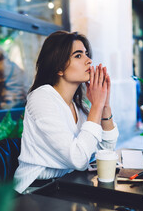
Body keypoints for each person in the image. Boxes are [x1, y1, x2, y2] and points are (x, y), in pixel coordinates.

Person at [14, 31, 119, 193]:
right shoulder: (42, 97)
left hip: (68, 184)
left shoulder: (78, 106)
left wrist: (105, 105)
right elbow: (78, 158)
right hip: (35, 191)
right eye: (78, 56)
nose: (89, 60)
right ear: (59, 67)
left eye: (86, 54)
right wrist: (96, 106)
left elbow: (106, 150)